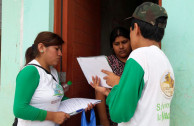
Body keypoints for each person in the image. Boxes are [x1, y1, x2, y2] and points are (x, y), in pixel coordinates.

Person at [91, 2, 175, 126]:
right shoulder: (164, 61)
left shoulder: (138, 56)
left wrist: (115, 85)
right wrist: (109, 92)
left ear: (136, 28)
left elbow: (119, 114)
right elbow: (144, 101)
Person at [13, 31, 93, 126]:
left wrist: (80, 105)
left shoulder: (53, 71)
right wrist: (53, 116)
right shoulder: (30, 71)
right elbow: (19, 109)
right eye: (57, 49)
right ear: (41, 48)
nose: (60, 53)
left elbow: (56, 99)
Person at [96, 27, 131, 126]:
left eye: (124, 42)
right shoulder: (107, 62)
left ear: (130, 41)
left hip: (133, 114)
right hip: (113, 116)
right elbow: (99, 91)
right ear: (112, 46)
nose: (121, 47)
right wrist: (104, 120)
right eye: (116, 44)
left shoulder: (136, 60)